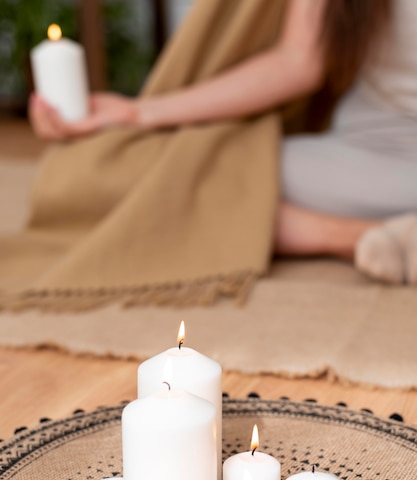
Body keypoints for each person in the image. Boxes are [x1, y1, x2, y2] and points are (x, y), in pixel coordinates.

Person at [28, 0, 417, 285]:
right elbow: (297, 61)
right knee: (141, 169)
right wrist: (136, 114)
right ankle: (356, 237)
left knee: (186, 189)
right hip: (360, 146)